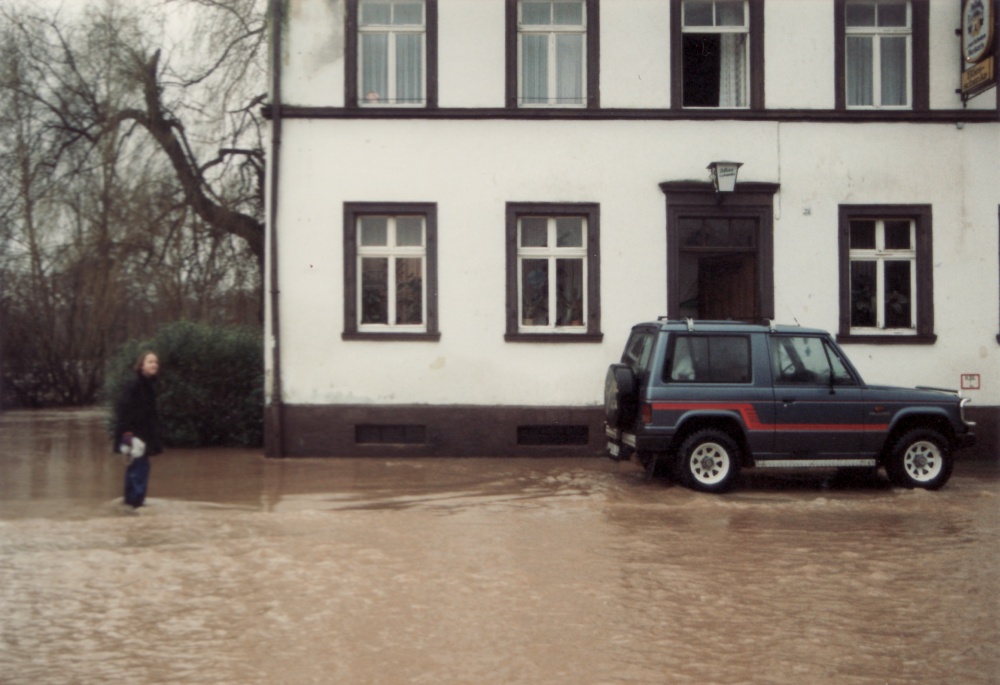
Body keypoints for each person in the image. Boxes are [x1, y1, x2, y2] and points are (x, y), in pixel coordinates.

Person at [113, 351, 164, 509]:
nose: (154, 364)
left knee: (136, 470)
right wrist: (128, 437)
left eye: (156, 362)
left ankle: (130, 507)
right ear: (141, 365)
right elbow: (124, 410)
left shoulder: (148, 386)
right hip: (135, 437)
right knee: (138, 472)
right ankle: (135, 509)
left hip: (143, 437)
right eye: (150, 362)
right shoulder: (135, 385)